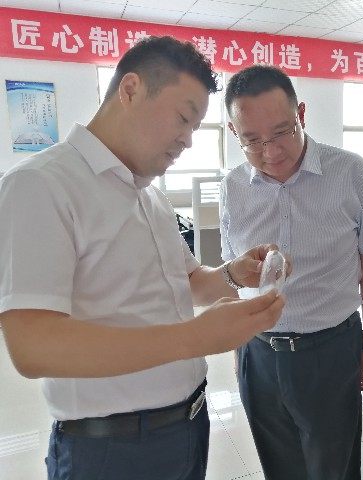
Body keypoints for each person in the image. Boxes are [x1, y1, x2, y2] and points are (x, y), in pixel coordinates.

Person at [0, 36, 286, 480]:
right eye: (183, 118)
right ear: (131, 90)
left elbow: (189, 282)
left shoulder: (149, 195)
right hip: (110, 449)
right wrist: (194, 338)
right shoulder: (42, 185)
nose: (187, 140)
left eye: (195, 127)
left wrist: (234, 273)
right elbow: (32, 346)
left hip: (186, 427)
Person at [220, 64, 363, 480]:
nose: (270, 152)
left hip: (329, 351)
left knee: (334, 469)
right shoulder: (232, 187)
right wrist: (238, 352)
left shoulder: (350, 173)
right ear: (233, 132)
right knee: (279, 468)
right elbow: (231, 278)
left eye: (282, 132)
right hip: (258, 352)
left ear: (301, 114)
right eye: (252, 141)